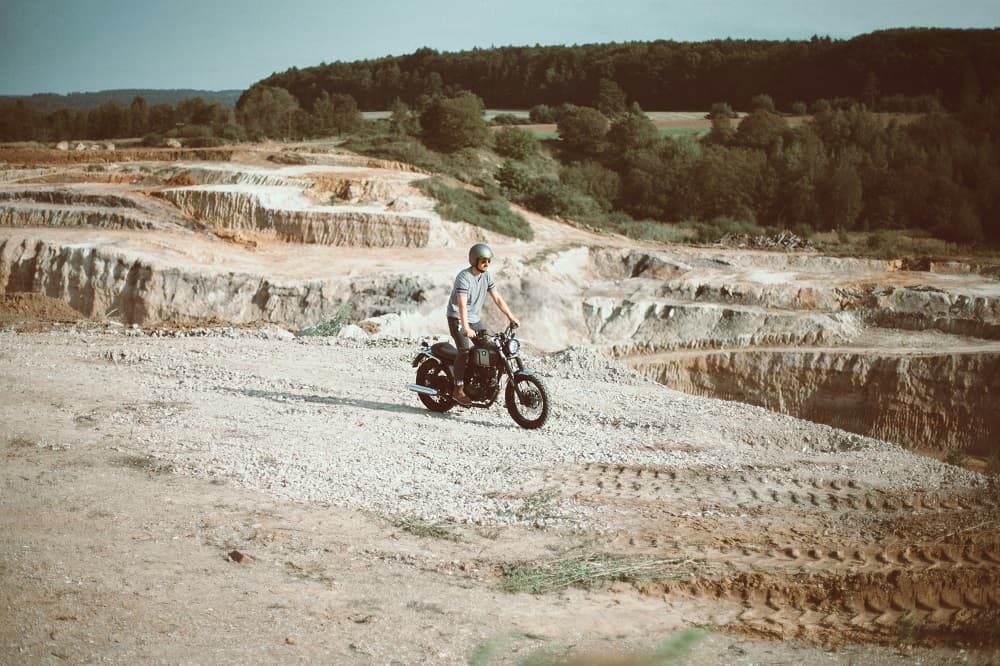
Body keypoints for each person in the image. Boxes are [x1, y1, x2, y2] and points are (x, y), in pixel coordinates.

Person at [446, 243, 520, 406]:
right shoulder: (463, 278)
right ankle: (458, 389)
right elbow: (462, 305)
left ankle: (483, 382)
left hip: (474, 319)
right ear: (474, 260)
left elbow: (498, 299)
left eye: (489, 261)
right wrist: (466, 327)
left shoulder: (486, 276)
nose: (487, 263)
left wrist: (511, 316)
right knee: (464, 351)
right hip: (458, 318)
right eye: (483, 260)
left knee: (490, 347)